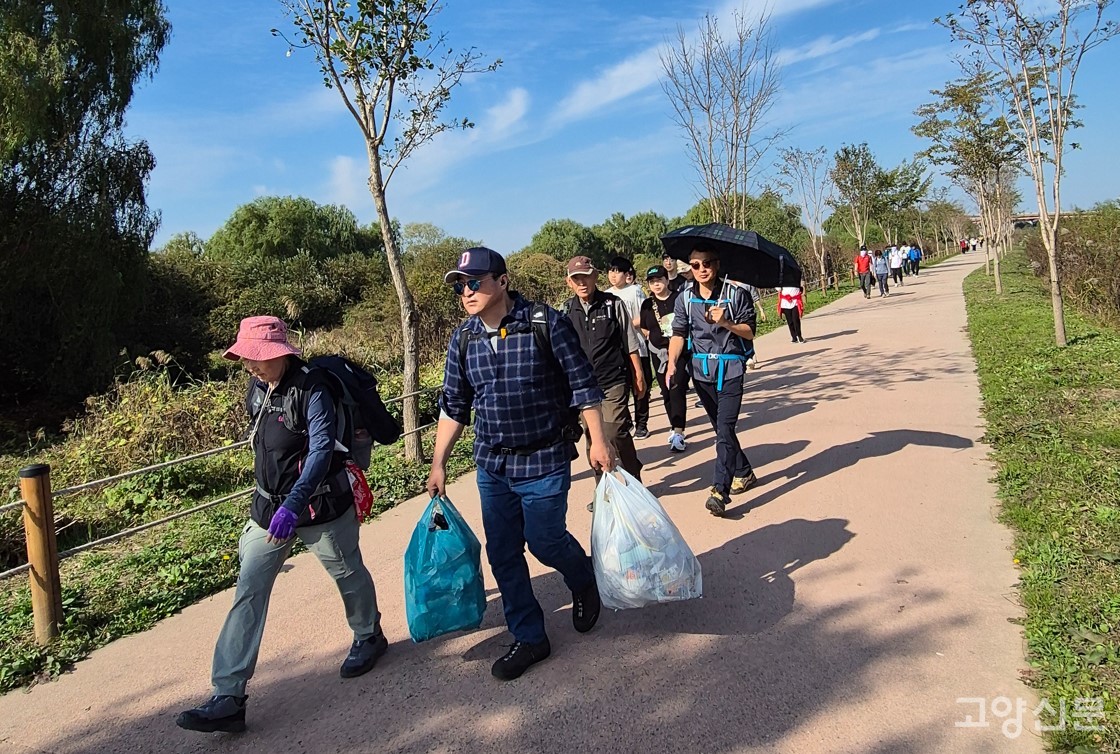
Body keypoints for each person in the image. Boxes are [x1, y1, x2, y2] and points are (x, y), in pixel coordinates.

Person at [177, 316, 385, 734]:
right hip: (267, 511)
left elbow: (322, 451)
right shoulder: (258, 388)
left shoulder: (314, 389)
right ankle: (228, 696)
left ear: (281, 353)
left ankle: (369, 635)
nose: (250, 365)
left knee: (347, 573)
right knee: (248, 590)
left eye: (258, 358)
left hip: (319, 506)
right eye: (245, 358)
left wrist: (293, 505)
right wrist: (277, 504)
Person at [427, 247, 614, 681]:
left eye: (474, 282)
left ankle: (582, 577)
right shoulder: (464, 338)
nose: (466, 291)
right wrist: (439, 462)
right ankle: (530, 636)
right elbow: (454, 405)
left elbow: (582, 385)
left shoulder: (545, 323)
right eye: (460, 285)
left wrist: (599, 442)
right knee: (504, 552)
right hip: (492, 464)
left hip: (545, 457)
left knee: (546, 541)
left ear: (502, 281)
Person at [666, 247, 757, 517]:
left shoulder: (735, 294)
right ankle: (744, 472)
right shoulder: (684, 298)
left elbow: (750, 331)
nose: (701, 269)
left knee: (725, 427)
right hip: (701, 371)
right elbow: (679, 333)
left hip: (730, 369)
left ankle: (720, 490)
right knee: (721, 430)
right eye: (695, 264)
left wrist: (727, 322)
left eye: (706, 263)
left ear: (717, 264)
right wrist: (672, 362)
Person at [565, 256, 645, 484]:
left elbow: (630, 341)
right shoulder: (565, 312)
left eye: (586, 277)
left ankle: (634, 475)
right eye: (576, 278)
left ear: (595, 277)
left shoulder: (613, 304)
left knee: (615, 430)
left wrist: (638, 373)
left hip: (614, 379)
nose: (582, 283)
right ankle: (603, 487)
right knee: (593, 434)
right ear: (568, 282)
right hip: (584, 386)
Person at [639, 265, 689, 453]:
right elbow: (644, 327)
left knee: (676, 388)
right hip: (658, 354)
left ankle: (678, 431)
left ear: (667, 280)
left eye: (659, 280)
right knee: (666, 391)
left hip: (678, 352)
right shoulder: (647, 304)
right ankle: (673, 424)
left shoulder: (679, 298)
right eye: (652, 282)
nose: (656, 284)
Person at [606, 256, 651, 440]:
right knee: (621, 388)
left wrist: (625, 325)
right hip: (618, 351)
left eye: (618, 271)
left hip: (638, 346)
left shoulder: (635, 291)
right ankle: (627, 421)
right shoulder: (606, 295)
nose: (614, 275)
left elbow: (644, 316)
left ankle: (642, 424)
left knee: (641, 387)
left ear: (627, 274)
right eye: (611, 271)